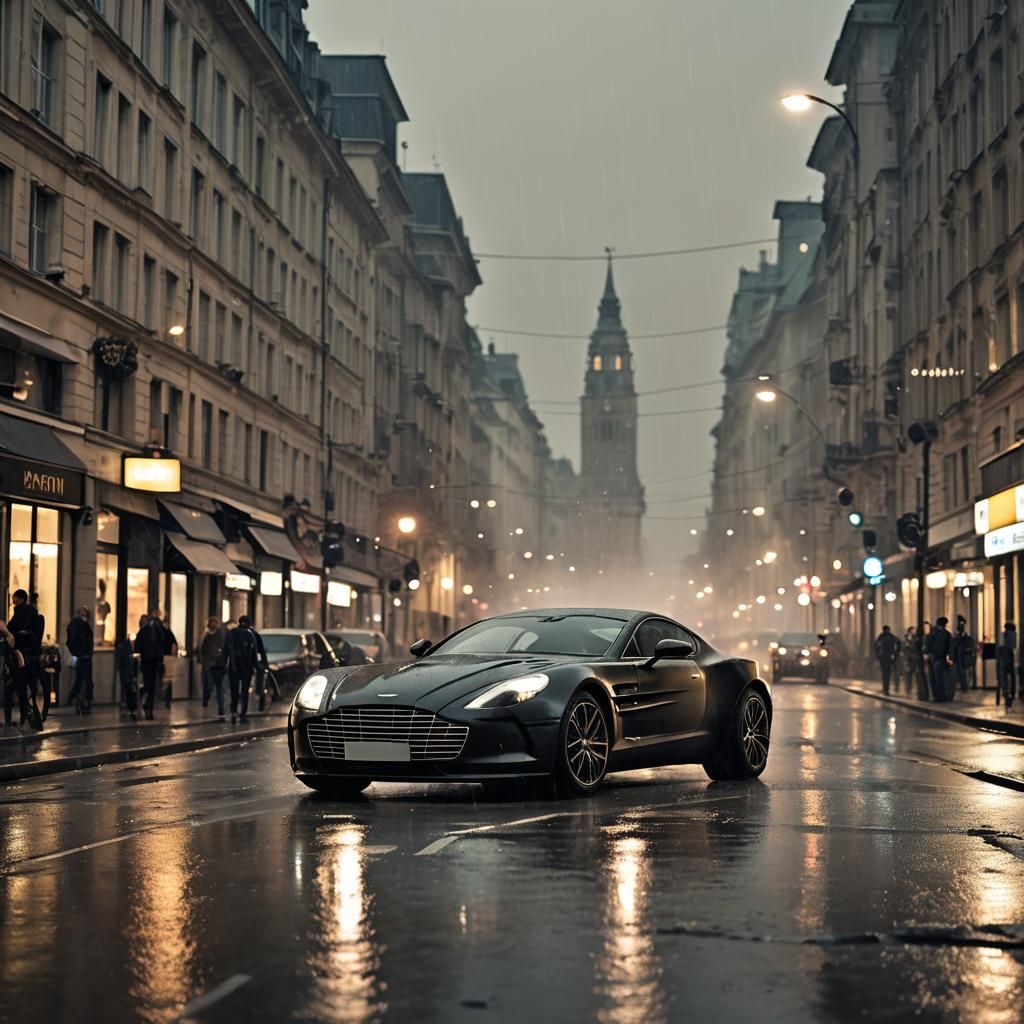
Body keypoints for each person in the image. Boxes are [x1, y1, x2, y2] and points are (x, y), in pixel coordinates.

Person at [224, 615, 268, 723]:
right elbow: (261, 651)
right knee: (241, 691)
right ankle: (239, 713)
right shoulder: (250, 634)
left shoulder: (245, 634)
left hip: (241, 667)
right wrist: (262, 664)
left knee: (240, 691)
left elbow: (226, 651)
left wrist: (261, 664)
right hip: (240, 667)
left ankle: (238, 712)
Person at [9, 590, 43, 722]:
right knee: (22, 684)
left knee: (22, 683)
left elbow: (17, 628)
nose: (13, 601)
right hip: (26, 651)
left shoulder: (25, 611)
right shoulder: (22, 610)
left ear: (21, 598)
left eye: (15, 598)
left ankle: (27, 710)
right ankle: (26, 711)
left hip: (26, 652)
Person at [134, 610, 167, 720]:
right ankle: (149, 709)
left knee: (150, 686)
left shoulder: (146, 631)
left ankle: (148, 708)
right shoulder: (153, 630)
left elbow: (137, 647)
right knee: (151, 686)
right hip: (153, 661)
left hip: (149, 661)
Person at [65, 607, 95, 714]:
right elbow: (74, 639)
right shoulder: (79, 623)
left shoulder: (84, 623)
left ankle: (79, 700)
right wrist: (78, 651)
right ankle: (80, 701)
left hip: (85, 655)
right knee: (84, 681)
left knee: (83, 680)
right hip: (83, 656)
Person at [0, 618, 28, 731]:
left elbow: (10, 657)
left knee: (11, 696)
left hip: (11, 672)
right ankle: (15, 721)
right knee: (15, 695)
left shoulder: (8, 640)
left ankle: (12, 721)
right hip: (12, 672)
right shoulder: (8, 639)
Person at [199, 617, 228, 720]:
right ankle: (206, 698)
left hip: (219, 664)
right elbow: (202, 649)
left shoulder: (221, 635)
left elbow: (224, 648)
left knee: (220, 688)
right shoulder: (206, 636)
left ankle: (221, 709)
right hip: (209, 664)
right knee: (209, 685)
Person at [926, 616, 952, 702]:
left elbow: (929, 646)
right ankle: (941, 697)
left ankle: (938, 697)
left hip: (937, 659)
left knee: (937, 679)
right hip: (939, 659)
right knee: (940, 679)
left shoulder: (934, 634)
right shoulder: (946, 634)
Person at [949, 615, 976, 694]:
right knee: (959, 672)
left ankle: (965, 687)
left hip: (963, 658)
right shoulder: (956, 637)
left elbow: (969, 647)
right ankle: (963, 686)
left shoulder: (966, 638)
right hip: (958, 657)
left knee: (963, 672)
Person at [874, 625, 900, 695]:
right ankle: (886, 688)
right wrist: (895, 654)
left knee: (885, 674)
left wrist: (878, 656)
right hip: (888, 658)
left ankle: (886, 688)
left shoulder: (881, 637)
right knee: (887, 674)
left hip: (884, 658)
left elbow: (876, 646)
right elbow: (898, 643)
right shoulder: (891, 637)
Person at [997, 622, 1017, 711]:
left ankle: (1006, 694)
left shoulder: (1004, 635)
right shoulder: (1013, 635)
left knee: (1004, 678)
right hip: (1010, 659)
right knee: (1011, 678)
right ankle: (1010, 695)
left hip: (1004, 659)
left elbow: (1000, 648)